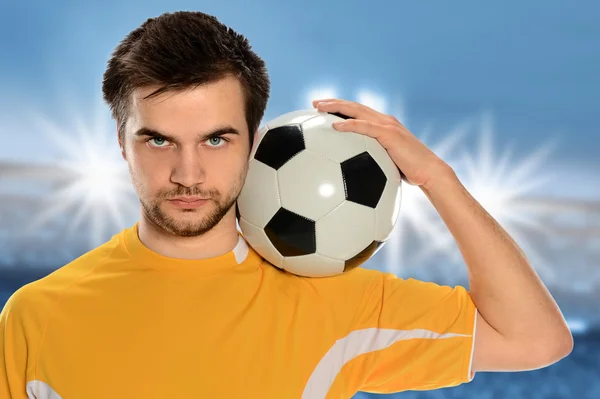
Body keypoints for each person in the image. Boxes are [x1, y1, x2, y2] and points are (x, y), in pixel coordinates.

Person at [0, 10, 573, 399]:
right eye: (158, 140)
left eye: (217, 139)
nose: (188, 172)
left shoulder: (336, 303)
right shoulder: (36, 317)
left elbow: (537, 340)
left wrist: (437, 178)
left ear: (255, 143)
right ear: (121, 145)